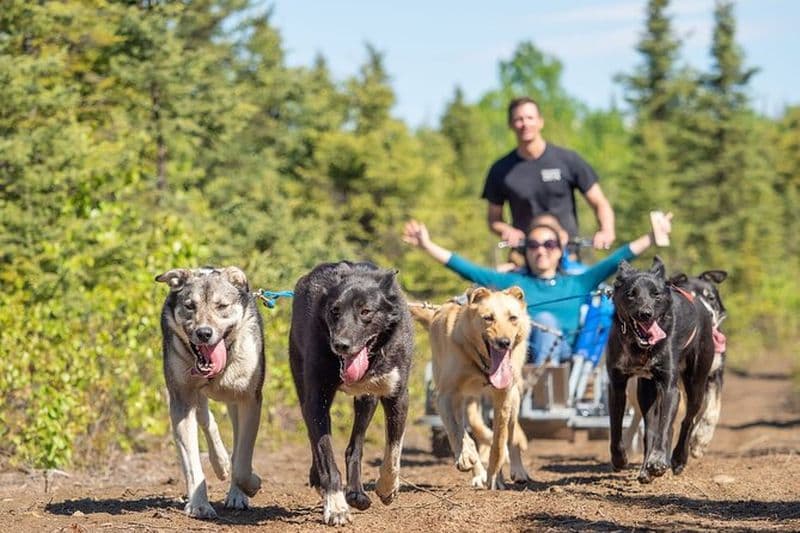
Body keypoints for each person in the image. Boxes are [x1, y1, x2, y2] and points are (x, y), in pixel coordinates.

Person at [402, 214, 672, 365]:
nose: (541, 251)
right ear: (525, 250)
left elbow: (617, 260)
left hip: (559, 355)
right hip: (511, 347)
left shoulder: (578, 282)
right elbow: (465, 268)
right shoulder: (513, 285)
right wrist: (426, 245)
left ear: (561, 250)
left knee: (544, 320)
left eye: (549, 245)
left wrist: (651, 235)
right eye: (533, 245)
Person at [482, 96, 616, 251]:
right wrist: (506, 230)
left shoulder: (568, 160)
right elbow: (494, 220)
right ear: (510, 125)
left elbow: (600, 203)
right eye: (519, 119)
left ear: (540, 121)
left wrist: (606, 230)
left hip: (568, 256)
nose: (525, 124)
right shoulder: (500, 170)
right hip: (525, 259)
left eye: (530, 118)